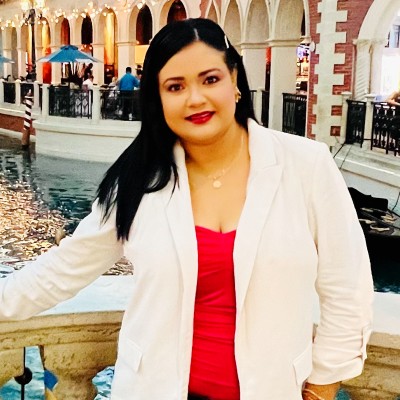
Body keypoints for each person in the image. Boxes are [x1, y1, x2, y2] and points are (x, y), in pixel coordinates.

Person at [0, 18, 374, 400]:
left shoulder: (307, 166)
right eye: (175, 87)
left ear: (234, 81)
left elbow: (347, 289)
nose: (195, 99)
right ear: (158, 99)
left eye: (210, 79)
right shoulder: (137, 180)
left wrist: (322, 386)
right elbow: (61, 270)